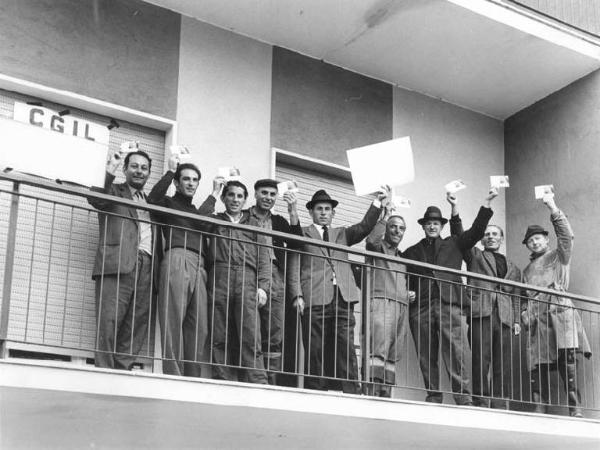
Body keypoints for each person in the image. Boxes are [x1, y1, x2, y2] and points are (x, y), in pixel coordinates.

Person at [289, 187, 389, 394]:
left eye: (327, 209)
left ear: (333, 213)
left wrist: (377, 202)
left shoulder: (342, 233)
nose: (324, 212)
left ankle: (351, 389)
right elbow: (294, 262)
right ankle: (316, 390)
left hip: (343, 297)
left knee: (345, 347)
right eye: (319, 209)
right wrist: (297, 294)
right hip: (314, 297)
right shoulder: (302, 232)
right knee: (315, 347)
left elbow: (364, 227)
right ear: (311, 212)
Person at [403, 188, 498, 405]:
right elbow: (403, 277)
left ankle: (463, 397)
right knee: (426, 355)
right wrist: (406, 291)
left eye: (436, 223)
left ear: (442, 225)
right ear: (423, 226)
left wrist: (486, 202)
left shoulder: (454, 243)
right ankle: (434, 395)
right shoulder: (410, 252)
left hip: (449, 304)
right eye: (428, 223)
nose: (432, 226)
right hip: (421, 307)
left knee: (456, 351)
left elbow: (475, 232)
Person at [147, 154, 224, 376]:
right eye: (186, 179)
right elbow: (152, 200)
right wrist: (171, 170)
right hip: (177, 260)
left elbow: (201, 221)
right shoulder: (169, 203)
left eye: (194, 180)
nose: (190, 183)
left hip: (199, 265)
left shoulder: (196, 210)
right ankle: (173, 374)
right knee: (173, 320)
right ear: (177, 183)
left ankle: (192, 376)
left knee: (199, 325)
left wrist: (215, 194)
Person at [521, 194, 591, 417]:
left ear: (546, 240)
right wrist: (524, 313)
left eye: (538, 238)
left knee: (567, 360)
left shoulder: (559, 255)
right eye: (530, 241)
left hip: (559, 311)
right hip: (537, 317)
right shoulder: (526, 271)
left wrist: (552, 207)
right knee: (537, 362)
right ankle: (539, 406)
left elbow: (567, 236)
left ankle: (574, 407)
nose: (534, 242)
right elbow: (524, 296)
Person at [448, 194, 521, 409]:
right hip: (482, 313)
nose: (490, 237)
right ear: (482, 239)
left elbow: (517, 294)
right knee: (481, 361)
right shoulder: (475, 255)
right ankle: (481, 401)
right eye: (487, 234)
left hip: (506, 318)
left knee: (504, 364)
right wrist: (454, 209)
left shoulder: (513, 266)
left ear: (501, 238)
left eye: (495, 234)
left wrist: (516, 319)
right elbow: (460, 237)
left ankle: (500, 404)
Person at [87, 147, 156, 370]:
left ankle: (121, 370)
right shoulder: (114, 191)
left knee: (137, 322)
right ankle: (105, 371)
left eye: (144, 168)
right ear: (125, 169)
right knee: (109, 321)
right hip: (117, 262)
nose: (139, 171)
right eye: (134, 166)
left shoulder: (150, 200)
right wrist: (109, 170)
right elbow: (96, 198)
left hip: (147, 264)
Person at [207, 180, 272, 384]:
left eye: (240, 196)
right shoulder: (214, 220)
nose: (235, 199)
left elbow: (264, 256)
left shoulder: (253, 224)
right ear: (224, 198)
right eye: (231, 195)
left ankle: (257, 381)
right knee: (219, 330)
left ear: (245, 200)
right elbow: (196, 221)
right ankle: (221, 378)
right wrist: (213, 192)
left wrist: (263, 286)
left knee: (250, 331)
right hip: (220, 275)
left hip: (247, 277)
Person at [246, 179, 302, 385]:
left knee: (274, 332)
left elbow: (298, 242)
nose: (268, 197)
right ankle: (251, 378)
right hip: (250, 274)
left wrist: (293, 210)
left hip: (276, 277)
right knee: (249, 329)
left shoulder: (278, 221)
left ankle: (269, 380)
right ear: (255, 194)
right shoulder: (244, 216)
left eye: (272, 194)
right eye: (264, 193)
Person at [364, 203, 411, 397]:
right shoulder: (378, 247)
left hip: (401, 306)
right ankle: (373, 393)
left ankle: (386, 393)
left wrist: (408, 293)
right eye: (393, 226)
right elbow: (371, 238)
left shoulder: (402, 257)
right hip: (381, 302)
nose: (397, 231)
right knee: (379, 348)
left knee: (394, 352)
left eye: (401, 228)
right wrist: (385, 216)